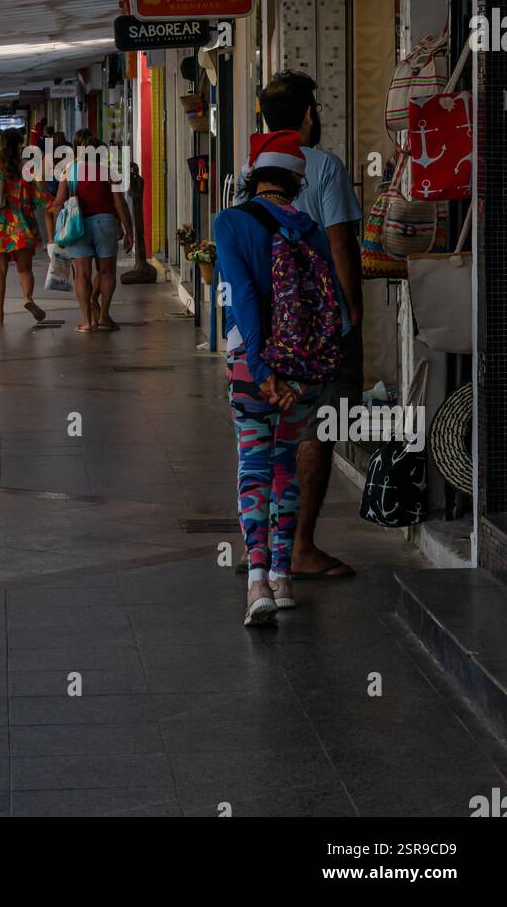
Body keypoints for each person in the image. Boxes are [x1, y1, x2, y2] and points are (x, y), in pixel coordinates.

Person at [216, 131, 343, 626]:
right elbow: (329, 304)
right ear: (295, 178)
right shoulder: (308, 227)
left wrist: (263, 370)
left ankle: (257, 584)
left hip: (253, 367)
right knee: (286, 464)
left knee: (254, 467)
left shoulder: (230, 221)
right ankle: (285, 578)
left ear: (254, 174)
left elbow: (241, 297)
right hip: (304, 369)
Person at [256, 70, 363, 580]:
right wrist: (353, 313)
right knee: (321, 429)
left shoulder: (253, 169)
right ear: (306, 115)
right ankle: (301, 547)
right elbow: (343, 248)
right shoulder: (324, 167)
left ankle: (272, 545)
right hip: (322, 327)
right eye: (314, 107)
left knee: (277, 429)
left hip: (273, 324)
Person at [52, 128, 133, 332]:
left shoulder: (69, 169)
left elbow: (58, 203)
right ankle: (104, 316)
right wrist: (128, 230)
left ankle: (87, 321)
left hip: (77, 225)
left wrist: (59, 232)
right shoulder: (108, 169)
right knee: (106, 272)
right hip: (105, 222)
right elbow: (119, 203)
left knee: (82, 274)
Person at [0, 128, 55, 326]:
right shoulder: (28, 168)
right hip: (23, 224)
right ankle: (28, 298)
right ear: (20, 145)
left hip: (0, 225)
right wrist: (59, 206)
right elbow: (43, 196)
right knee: (25, 269)